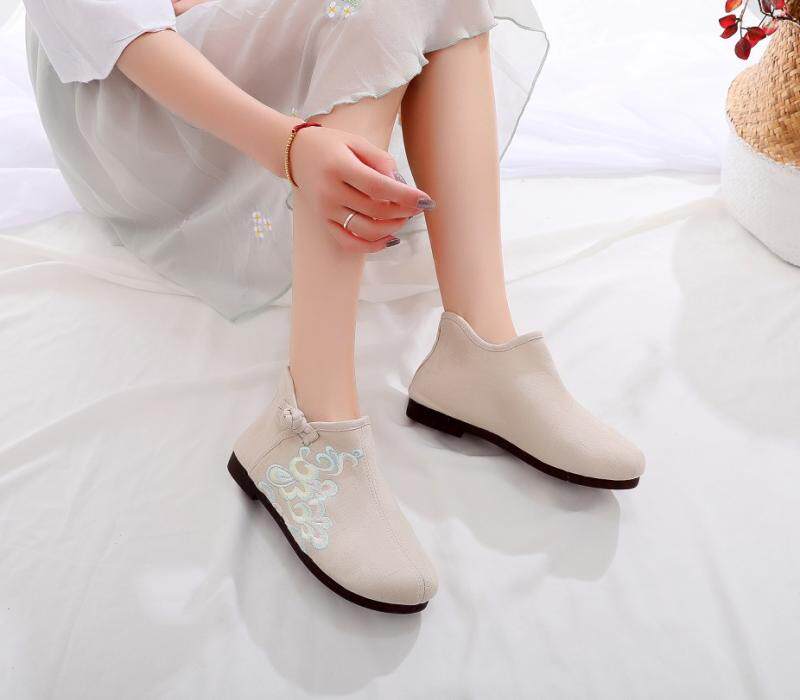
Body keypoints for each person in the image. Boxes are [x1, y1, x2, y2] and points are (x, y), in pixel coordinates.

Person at [23, 0, 644, 614]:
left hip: (241, 48)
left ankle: (480, 344)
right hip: (145, 101)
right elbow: (124, 36)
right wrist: (290, 146)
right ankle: (312, 415)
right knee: (369, 11)